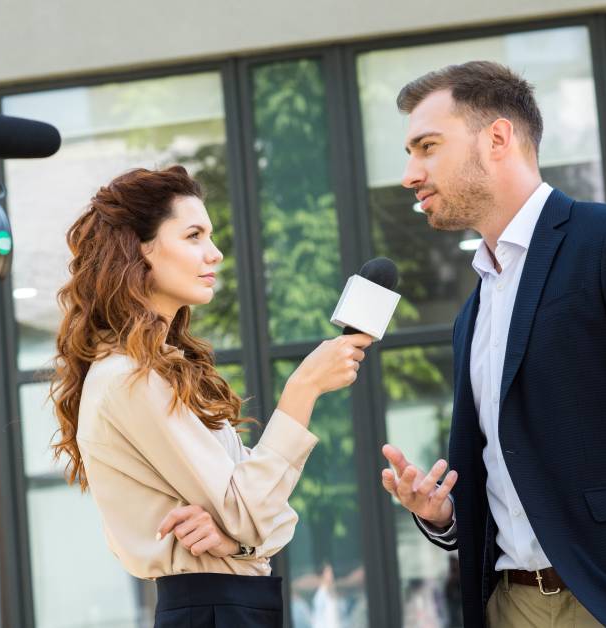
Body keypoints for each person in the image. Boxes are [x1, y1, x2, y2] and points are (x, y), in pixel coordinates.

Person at [378, 60, 606, 627]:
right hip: (509, 604)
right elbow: (514, 470)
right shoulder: (474, 308)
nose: (409, 174)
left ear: (497, 138)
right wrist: (444, 516)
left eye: (426, 146)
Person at [50, 165, 373, 626]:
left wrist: (235, 539)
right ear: (139, 250)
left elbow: (270, 521)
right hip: (210, 606)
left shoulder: (161, 368)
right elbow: (250, 511)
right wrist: (304, 388)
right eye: (194, 235)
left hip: (226, 600)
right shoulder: (129, 377)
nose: (215, 254)